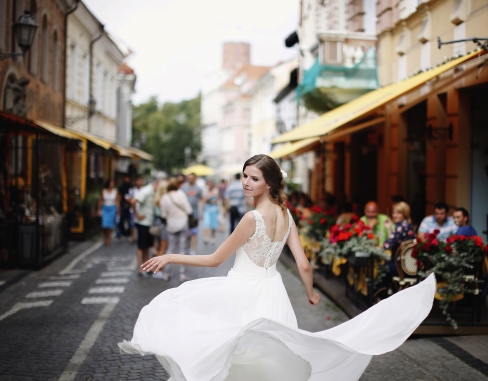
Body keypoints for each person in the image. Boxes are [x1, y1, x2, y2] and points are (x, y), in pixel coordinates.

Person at [119, 154, 436, 381]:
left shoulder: (251, 219)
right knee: (269, 360)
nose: (245, 182)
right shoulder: (287, 214)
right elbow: (303, 263)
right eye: (244, 175)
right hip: (273, 292)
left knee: (231, 354)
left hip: (243, 291)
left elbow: (215, 259)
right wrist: (310, 293)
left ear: (269, 183)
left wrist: (172, 257)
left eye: (253, 178)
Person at [160, 177, 193, 282]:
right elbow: (189, 210)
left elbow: (164, 215)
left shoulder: (164, 198)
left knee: (170, 249)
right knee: (183, 249)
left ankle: (167, 273)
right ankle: (182, 274)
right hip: (183, 223)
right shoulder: (181, 194)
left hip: (171, 225)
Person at [132, 179, 156, 277]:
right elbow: (133, 201)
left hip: (149, 222)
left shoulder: (152, 191)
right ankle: (140, 269)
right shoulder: (146, 191)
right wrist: (136, 214)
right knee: (141, 246)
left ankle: (146, 267)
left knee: (147, 246)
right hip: (143, 223)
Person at [151, 178, 170, 280]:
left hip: (157, 224)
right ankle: (157, 270)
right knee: (163, 249)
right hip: (163, 225)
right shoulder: (164, 200)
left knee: (160, 248)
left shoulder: (156, 199)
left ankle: (157, 270)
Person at [180, 173, 202, 256]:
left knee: (194, 233)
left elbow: (201, 198)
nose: (190, 180)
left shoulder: (198, 188)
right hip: (185, 214)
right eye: (189, 178)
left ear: (195, 178)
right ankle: (185, 248)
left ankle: (192, 250)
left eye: (192, 178)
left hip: (195, 213)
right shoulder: (183, 188)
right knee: (186, 233)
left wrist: (201, 212)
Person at [97, 179, 120, 246]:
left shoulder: (115, 191)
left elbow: (117, 201)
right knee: (104, 224)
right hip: (105, 208)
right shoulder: (104, 191)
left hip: (112, 208)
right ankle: (105, 236)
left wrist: (118, 210)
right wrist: (98, 209)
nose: (112, 184)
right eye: (111, 183)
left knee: (110, 224)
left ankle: (108, 238)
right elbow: (101, 200)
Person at [202, 179, 220, 245]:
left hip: (214, 209)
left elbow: (219, 200)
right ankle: (206, 237)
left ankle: (213, 237)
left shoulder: (216, 190)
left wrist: (214, 201)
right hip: (207, 209)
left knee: (214, 224)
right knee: (206, 223)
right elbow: (203, 200)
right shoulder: (205, 191)